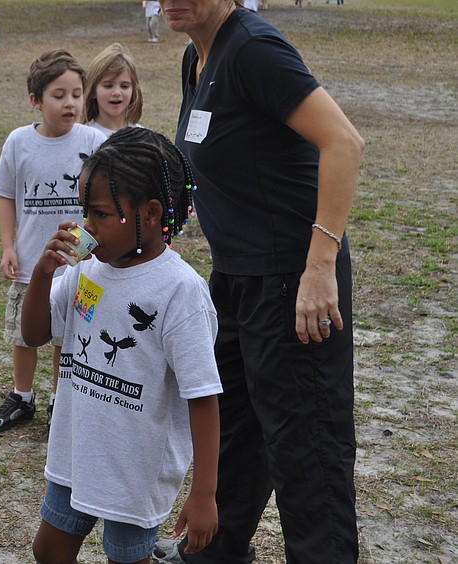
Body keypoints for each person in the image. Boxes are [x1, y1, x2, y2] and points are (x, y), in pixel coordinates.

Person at [155, 0, 366, 562]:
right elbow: (199, 171)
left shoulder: (252, 48)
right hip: (236, 278)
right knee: (234, 431)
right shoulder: (196, 57)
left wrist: (319, 267)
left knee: (307, 447)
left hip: (294, 283)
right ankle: (214, 549)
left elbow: (344, 143)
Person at [21, 127, 222, 564]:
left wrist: (204, 493)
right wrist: (42, 273)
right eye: (85, 212)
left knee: (127, 560)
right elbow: (36, 335)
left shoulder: (178, 290)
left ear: (151, 215)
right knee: (49, 550)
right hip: (77, 451)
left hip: (135, 469)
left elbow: (202, 396)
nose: (87, 227)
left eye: (101, 215)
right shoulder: (86, 270)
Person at [0, 50, 106, 433]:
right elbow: (5, 195)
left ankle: (60, 399)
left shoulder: (94, 140)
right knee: (25, 332)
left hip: (78, 265)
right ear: (35, 100)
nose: (70, 103)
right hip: (31, 263)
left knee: (64, 335)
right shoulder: (19, 142)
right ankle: (22, 396)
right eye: (58, 95)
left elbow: (107, 196)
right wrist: (8, 246)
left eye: (76, 93)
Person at [83, 43, 144, 137]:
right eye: (108, 86)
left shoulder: (141, 136)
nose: (116, 93)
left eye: (124, 86)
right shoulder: (85, 136)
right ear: (93, 91)